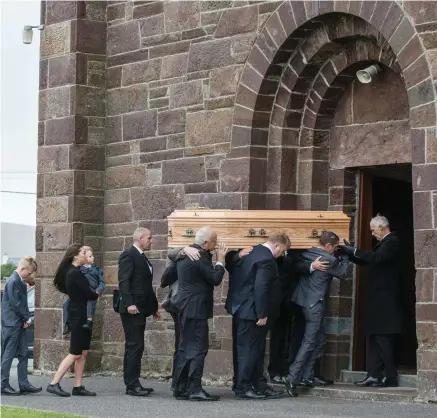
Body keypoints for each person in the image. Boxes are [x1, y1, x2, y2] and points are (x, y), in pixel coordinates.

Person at [338, 215, 402, 388]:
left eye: (373, 230)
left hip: (385, 299)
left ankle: (390, 376)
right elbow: (370, 260)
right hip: (378, 299)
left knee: (383, 338)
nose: (372, 234)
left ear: (382, 227)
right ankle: (373, 374)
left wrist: (354, 251)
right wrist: (350, 254)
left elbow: (377, 258)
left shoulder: (392, 241)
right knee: (374, 337)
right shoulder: (383, 243)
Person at [283, 232, 349, 397]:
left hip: (303, 301)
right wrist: (346, 256)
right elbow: (343, 273)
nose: (334, 250)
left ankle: (308, 375)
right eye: (334, 247)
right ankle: (292, 377)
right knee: (310, 341)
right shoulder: (330, 260)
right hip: (315, 304)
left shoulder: (307, 251)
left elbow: (294, 255)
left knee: (319, 339)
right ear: (327, 246)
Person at [226, 233, 289, 399]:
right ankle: (244, 387)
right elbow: (261, 287)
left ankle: (258, 384)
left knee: (253, 349)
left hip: (241, 308)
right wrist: (262, 313)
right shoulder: (267, 260)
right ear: (278, 246)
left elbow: (233, 267)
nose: (281, 254)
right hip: (252, 312)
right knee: (249, 350)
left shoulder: (249, 252)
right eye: (283, 251)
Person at [172, 226, 226, 401]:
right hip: (196, 309)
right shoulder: (200, 256)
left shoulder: (184, 255)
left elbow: (167, 276)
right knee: (198, 348)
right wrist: (221, 261)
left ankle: (180, 387)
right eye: (213, 242)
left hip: (184, 306)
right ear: (205, 243)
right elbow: (215, 279)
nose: (215, 245)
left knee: (184, 347)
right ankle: (194, 388)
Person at [47, 244, 99, 397]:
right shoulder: (75, 273)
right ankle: (54, 383)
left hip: (80, 315)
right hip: (78, 317)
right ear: (76, 255)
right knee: (75, 353)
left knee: (83, 353)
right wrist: (95, 292)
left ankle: (78, 386)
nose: (86, 254)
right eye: (83, 252)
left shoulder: (74, 272)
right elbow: (90, 294)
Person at [118, 228, 159, 397]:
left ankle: (134, 382)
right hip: (132, 310)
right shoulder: (129, 254)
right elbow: (124, 281)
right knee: (134, 346)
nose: (151, 240)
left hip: (140, 309)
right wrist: (129, 304)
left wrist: (153, 308)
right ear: (140, 238)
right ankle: (132, 385)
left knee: (137, 346)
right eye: (149, 238)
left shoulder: (141, 256)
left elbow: (145, 286)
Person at [160, 246, 201, 391]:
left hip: (180, 302)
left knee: (182, 343)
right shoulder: (181, 254)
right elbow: (170, 252)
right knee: (182, 344)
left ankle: (178, 381)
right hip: (179, 303)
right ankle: (178, 382)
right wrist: (184, 249)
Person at [1, 257, 41, 396]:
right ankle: (3, 384)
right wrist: (27, 318)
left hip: (18, 323)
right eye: (30, 273)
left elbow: (21, 304)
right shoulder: (13, 281)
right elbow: (16, 304)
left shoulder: (20, 281)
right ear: (23, 269)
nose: (30, 276)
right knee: (8, 354)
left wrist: (25, 319)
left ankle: (24, 384)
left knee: (24, 353)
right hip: (12, 323)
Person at [63, 246, 105, 334]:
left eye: (92, 256)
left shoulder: (96, 270)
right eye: (90, 256)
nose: (93, 257)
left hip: (91, 292)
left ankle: (89, 320)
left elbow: (102, 283)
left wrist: (97, 291)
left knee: (90, 302)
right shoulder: (78, 270)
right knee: (66, 303)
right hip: (82, 294)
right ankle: (66, 323)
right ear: (84, 259)